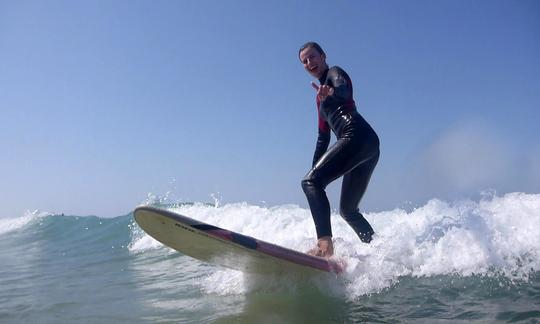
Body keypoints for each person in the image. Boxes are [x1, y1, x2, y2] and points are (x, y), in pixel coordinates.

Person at [298, 42, 380, 258]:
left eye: (312, 57)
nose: (309, 63)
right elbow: (322, 137)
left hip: (356, 135)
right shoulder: (319, 100)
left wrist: (332, 92)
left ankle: (324, 247)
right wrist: (315, 171)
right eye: (304, 61)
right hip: (367, 145)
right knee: (348, 210)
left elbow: (344, 90)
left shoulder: (335, 74)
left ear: (323, 56)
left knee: (310, 182)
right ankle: (379, 251)